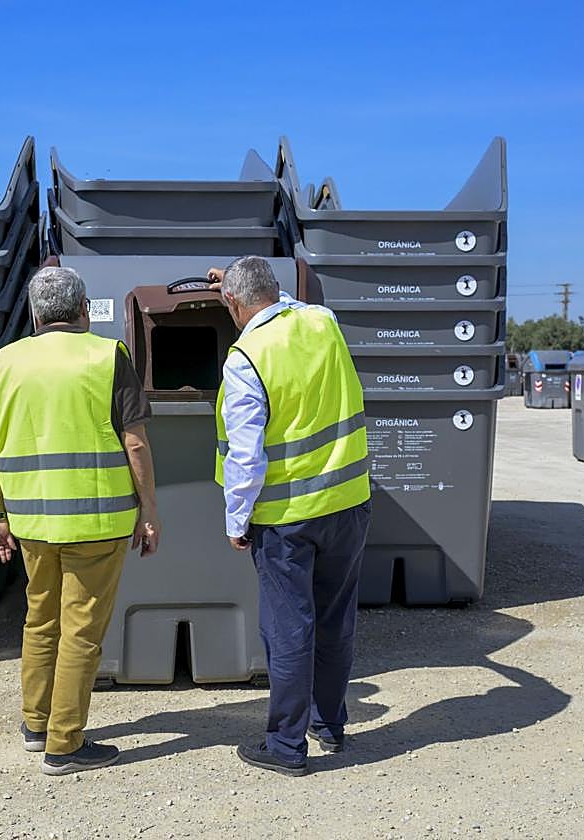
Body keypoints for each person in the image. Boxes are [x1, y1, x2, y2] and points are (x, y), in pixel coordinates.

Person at [0, 265, 161, 777]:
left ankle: (35, 726)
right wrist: (149, 510)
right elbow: (134, 441)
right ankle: (65, 745)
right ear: (84, 310)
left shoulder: (7, 361)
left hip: (32, 521)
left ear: (36, 316)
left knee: (40, 620)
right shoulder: (108, 355)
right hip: (97, 521)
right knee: (81, 631)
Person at [210, 256, 371, 777]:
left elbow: (246, 453)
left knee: (289, 630)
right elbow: (292, 307)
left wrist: (237, 520)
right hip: (347, 504)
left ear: (232, 304)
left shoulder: (245, 357)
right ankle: (329, 725)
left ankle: (284, 747)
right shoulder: (322, 322)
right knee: (334, 619)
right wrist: (241, 286)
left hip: (285, 520)